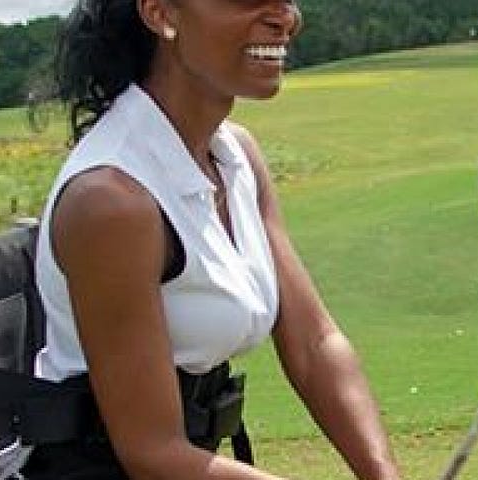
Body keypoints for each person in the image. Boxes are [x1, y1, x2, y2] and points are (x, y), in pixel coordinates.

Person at [21, 0, 402, 478]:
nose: (285, 16)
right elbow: (152, 452)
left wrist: (382, 473)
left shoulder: (235, 154)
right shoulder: (112, 201)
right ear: (162, 14)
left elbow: (314, 344)